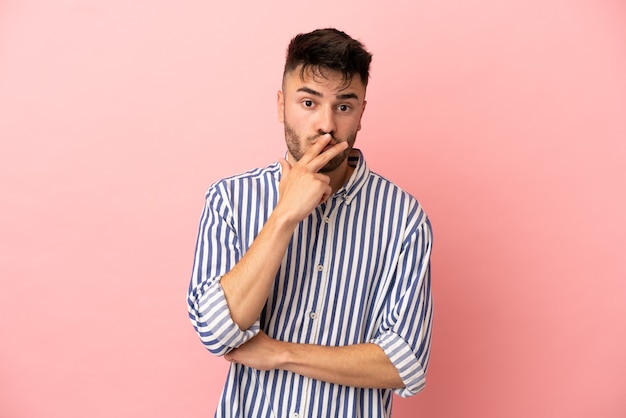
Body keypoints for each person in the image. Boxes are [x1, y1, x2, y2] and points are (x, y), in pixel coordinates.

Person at [187, 28, 433, 418]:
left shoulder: (403, 218)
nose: (326, 125)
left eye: (343, 107)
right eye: (308, 102)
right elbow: (217, 332)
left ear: (361, 114)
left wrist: (280, 353)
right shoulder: (230, 200)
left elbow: (405, 363)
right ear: (282, 105)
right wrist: (284, 215)